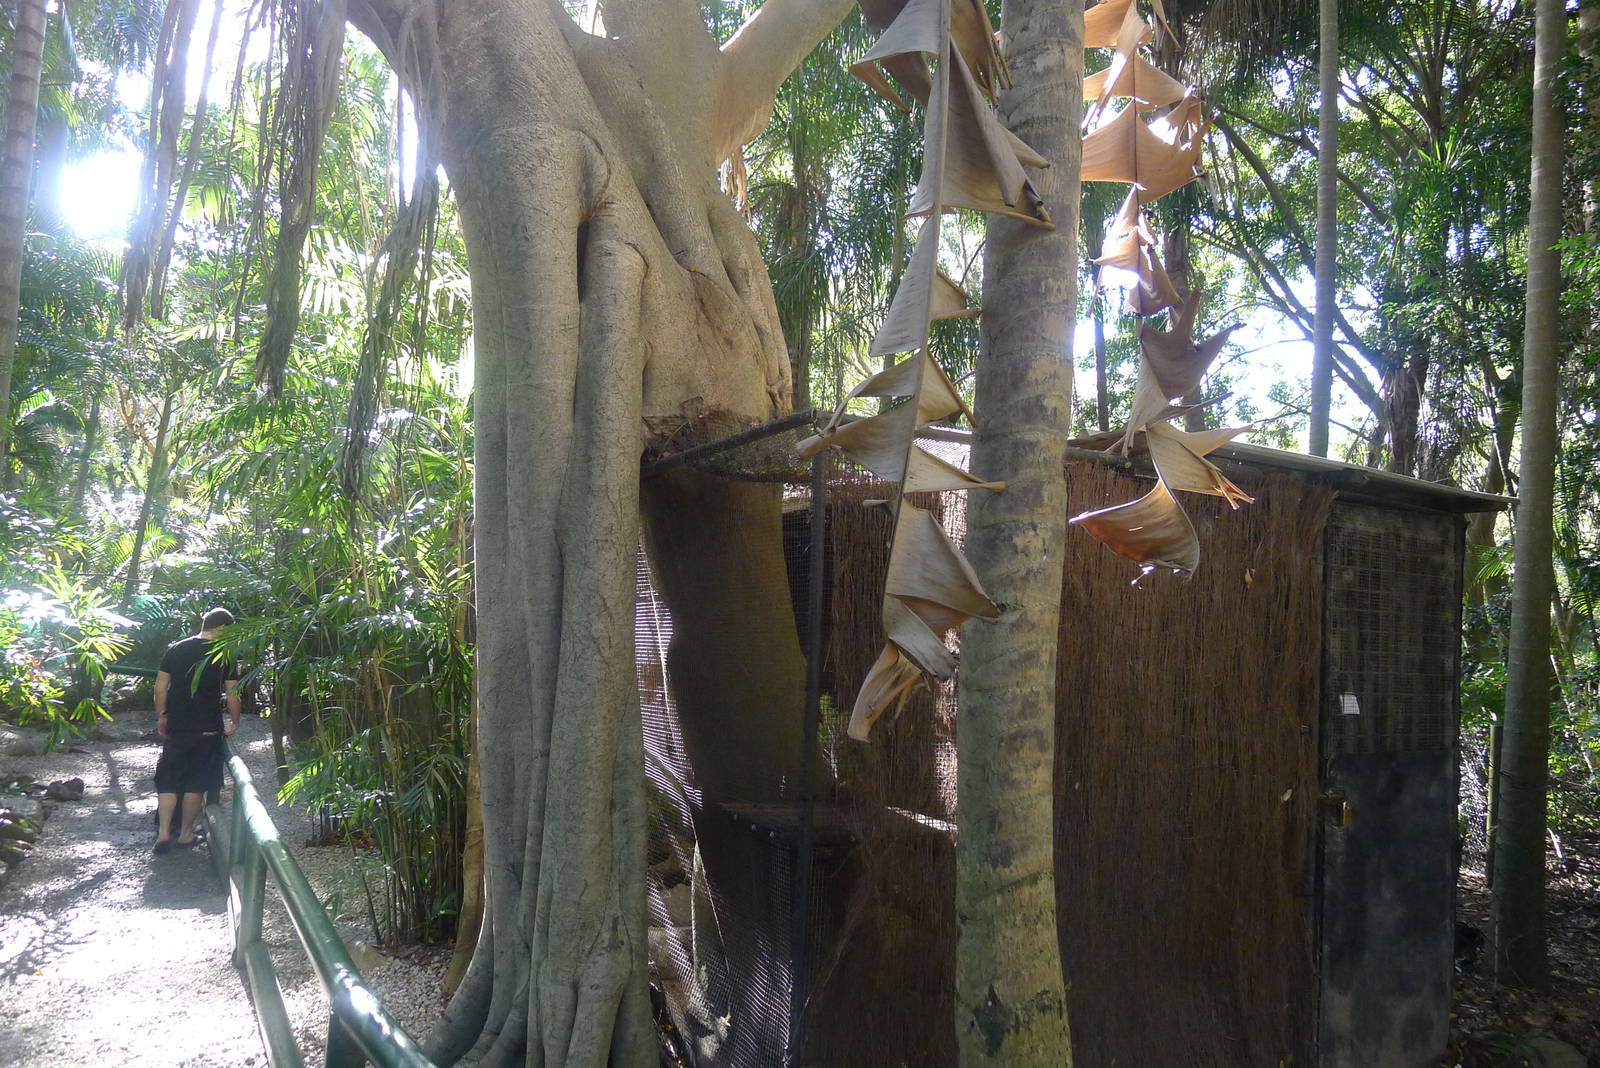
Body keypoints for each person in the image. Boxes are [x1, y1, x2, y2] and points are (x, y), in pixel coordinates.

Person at [152, 607, 241, 854]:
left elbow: (160, 687)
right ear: (223, 628)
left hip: (177, 726)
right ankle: (186, 834)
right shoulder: (224, 655)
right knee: (195, 783)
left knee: (168, 779)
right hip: (206, 728)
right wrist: (235, 721)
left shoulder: (177, 648)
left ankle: (163, 834)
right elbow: (232, 693)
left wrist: (163, 715)